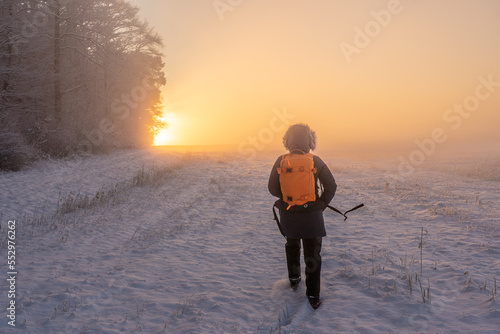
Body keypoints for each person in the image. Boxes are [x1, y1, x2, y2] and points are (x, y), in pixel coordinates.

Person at [268, 123, 337, 309]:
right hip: (312, 217)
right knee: (312, 255)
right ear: (310, 140)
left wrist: (289, 198)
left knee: (292, 246)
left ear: (287, 140)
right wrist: (319, 205)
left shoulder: (281, 160)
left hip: (289, 214)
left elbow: (272, 188)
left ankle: (294, 279)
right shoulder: (315, 160)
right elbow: (331, 186)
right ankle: (313, 296)